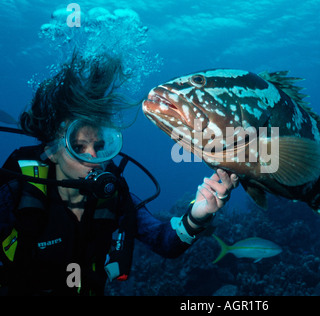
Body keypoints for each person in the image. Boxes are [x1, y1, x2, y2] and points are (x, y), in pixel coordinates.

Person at [0, 53, 239, 296]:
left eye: (100, 147)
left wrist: (199, 214)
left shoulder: (114, 197)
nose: (94, 158)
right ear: (51, 151)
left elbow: (164, 242)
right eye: (79, 147)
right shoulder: (17, 191)